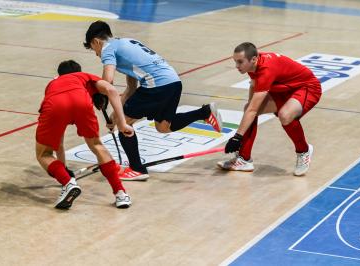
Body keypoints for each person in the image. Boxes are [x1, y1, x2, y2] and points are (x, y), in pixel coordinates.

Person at [83, 20, 223, 181]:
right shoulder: (126, 43)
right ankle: (204, 112)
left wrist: (99, 97)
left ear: (96, 41)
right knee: (164, 127)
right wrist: (115, 115)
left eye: (94, 49)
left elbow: (108, 81)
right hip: (173, 82)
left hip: (157, 85)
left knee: (125, 125)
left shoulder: (108, 48)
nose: (96, 54)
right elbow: (131, 88)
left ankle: (137, 169)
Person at [35, 60, 134, 209]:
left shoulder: (53, 84)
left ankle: (68, 184)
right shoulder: (84, 76)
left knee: (44, 154)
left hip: (55, 104)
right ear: (79, 71)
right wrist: (122, 123)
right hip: (82, 101)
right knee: (96, 145)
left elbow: (59, 144)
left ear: (59, 74)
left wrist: (65, 177)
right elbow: (112, 91)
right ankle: (121, 194)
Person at [217, 42, 321, 176]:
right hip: (283, 89)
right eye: (235, 62)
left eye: (240, 62)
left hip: (307, 88)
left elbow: (253, 109)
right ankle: (244, 159)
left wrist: (237, 137)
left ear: (253, 59)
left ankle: (303, 151)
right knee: (249, 109)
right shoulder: (253, 65)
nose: (237, 66)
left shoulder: (266, 69)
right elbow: (253, 96)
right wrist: (250, 111)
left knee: (285, 115)